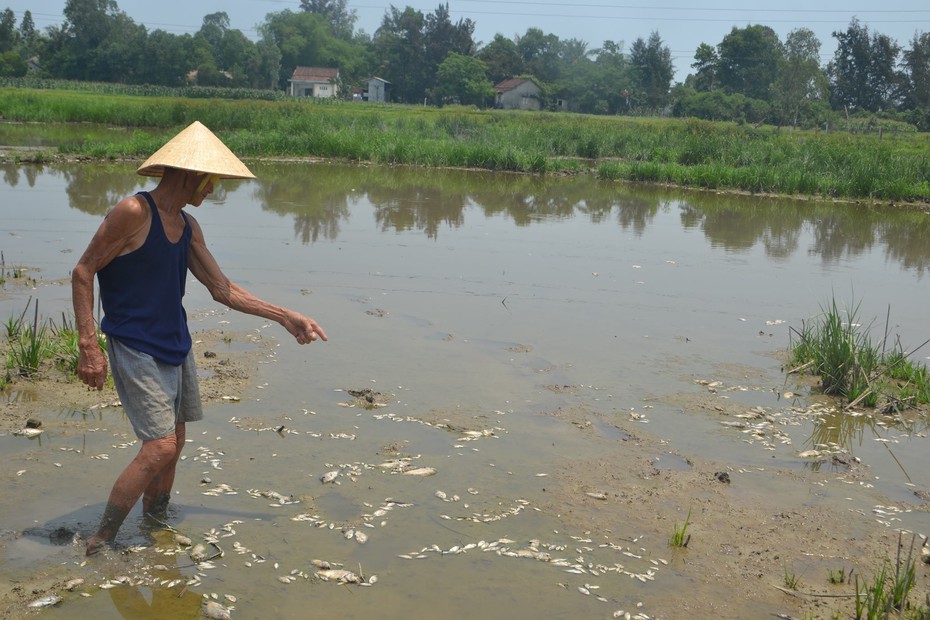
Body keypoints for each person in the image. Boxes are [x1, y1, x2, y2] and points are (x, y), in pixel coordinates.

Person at [71, 121, 327, 556]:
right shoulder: (134, 213)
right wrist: (88, 346)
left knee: (176, 443)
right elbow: (83, 271)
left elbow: (223, 290)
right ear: (190, 174)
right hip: (134, 343)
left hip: (175, 344)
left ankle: (154, 520)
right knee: (159, 447)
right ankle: (101, 539)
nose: (212, 190)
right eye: (211, 182)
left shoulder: (187, 226)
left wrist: (285, 316)